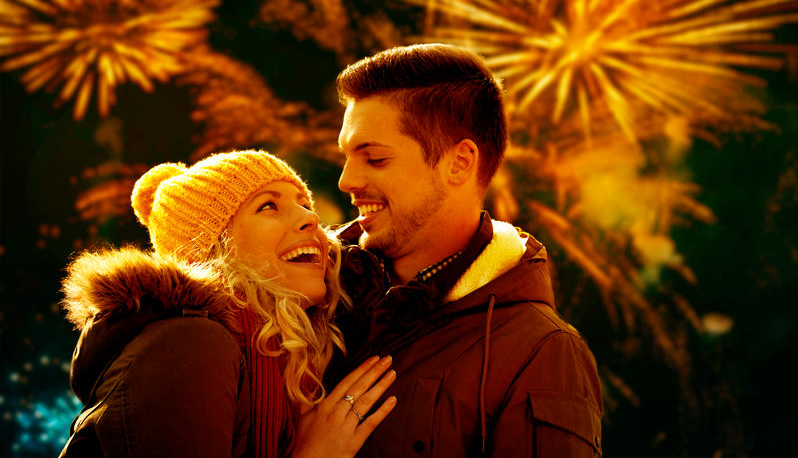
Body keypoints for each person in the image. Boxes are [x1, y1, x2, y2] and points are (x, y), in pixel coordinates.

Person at [330, 44, 604, 456]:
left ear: (459, 163)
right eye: (347, 156)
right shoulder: (305, 300)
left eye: (375, 159)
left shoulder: (541, 352)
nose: (346, 181)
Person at [59, 150, 397, 458]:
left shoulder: (289, 363)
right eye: (268, 206)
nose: (311, 220)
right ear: (213, 249)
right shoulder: (190, 343)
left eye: (305, 205)